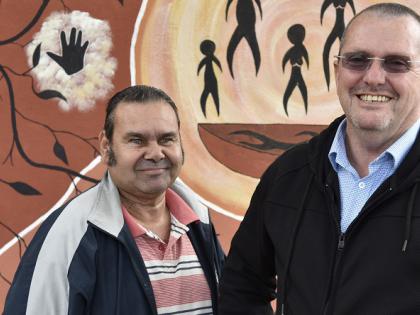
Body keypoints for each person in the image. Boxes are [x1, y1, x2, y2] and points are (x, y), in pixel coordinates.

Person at [219, 3, 420, 314]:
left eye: (397, 63)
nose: (374, 77)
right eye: (357, 60)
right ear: (336, 69)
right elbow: (242, 283)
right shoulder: (288, 175)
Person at [4, 85, 225, 314]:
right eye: (137, 140)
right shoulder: (71, 231)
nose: (156, 153)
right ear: (106, 147)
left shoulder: (198, 219)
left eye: (166, 139)